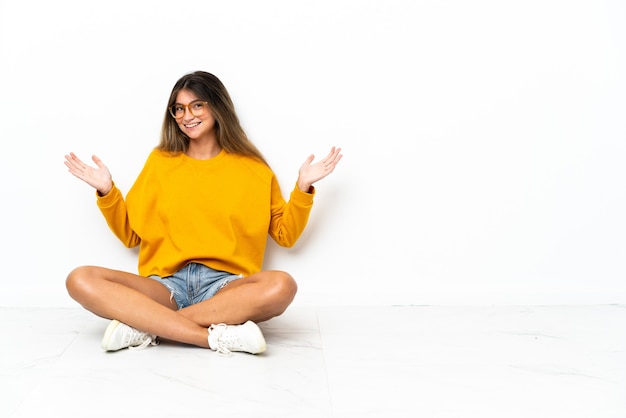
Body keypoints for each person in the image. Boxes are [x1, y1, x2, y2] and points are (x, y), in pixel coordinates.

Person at [64, 71, 342, 355]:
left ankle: (146, 326)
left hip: (226, 289)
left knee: (282, 285)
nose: (187, 116)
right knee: (80, 279)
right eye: (179, 108)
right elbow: (131, 236)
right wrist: (107, 191)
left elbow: (286, 235)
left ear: (217, 106)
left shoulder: (252, 168)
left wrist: (302, 187)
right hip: (165, 287)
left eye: (197, 105)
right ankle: (212, 337)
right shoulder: (160, 162)